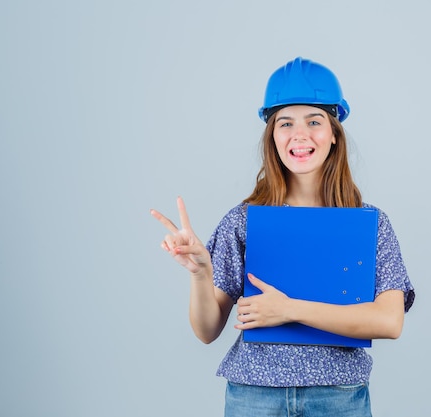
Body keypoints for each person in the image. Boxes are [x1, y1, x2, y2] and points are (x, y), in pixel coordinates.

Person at [150, 57, 415, 417]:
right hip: (253, 398)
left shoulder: (369, 224)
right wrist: (200, 275)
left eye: (314, 121)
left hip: (337, 397)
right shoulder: (244, 221)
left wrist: (288, 309)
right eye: (285, 123)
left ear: (334, 133)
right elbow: (207, 330)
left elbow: (389, 321)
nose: (299, 134)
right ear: (272, 136)